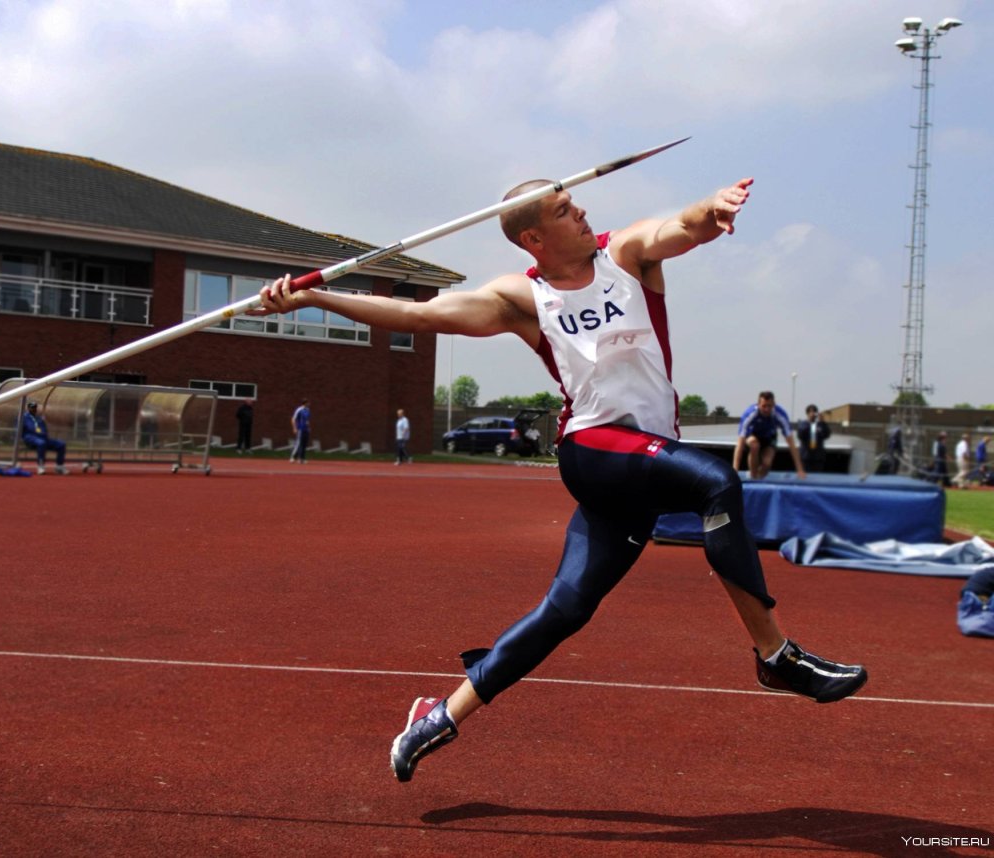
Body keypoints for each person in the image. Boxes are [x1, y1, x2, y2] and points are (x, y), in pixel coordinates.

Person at [254, 174, 868, 784]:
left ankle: (438, 713)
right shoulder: (521, 299)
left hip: (641, 466)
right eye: (563, 209)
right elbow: (420, 315)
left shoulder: (625, 255)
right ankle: (776, 656)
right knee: (715, 482)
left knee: (567, 609)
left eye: (575, 202)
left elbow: (682, 227)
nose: (580, 212)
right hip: (592, 448)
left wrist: (713, 208)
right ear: (533, 236)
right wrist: (315, 299)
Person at [732, 391, 806, 480]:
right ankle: (753, 475)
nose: (767, 409)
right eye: (764, 406)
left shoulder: (780, 415)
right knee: (754, 445)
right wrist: (735, 471)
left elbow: (791, 443)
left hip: (769, 438)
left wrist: (800, 469)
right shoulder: (749, 414)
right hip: (752, 436)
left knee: (767, 463)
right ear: (758, 405)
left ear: (774, 404)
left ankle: (758, 477)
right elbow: (740, 444)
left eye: (769, 406)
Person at [21, 400, 68, 475]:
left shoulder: (39, 418)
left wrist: (44, 434)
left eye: (34, 407)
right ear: (28, 408)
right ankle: (41, 465)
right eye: (31, 407)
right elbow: (20, 430)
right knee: (41, 443)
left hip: (43, 438)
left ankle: (59, 466)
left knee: (61, 444)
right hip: (30, 438)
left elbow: (44, 429)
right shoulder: (23, 417)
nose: (33, 409)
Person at [795, 404, 832, 473]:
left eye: (814, 412)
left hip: (817, 458)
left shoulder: (820, 425)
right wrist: (810, 423)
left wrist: (822, 422)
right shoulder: (803, 424)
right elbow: (800, 435)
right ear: (807, 413)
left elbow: (826, 435)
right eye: (810, 412)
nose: (812, 414)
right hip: (806, 457)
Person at [290, 399, 311, 464]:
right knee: (299, 443)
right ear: (305, 403)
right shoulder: (299, 410)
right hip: (300, 429)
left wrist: (309, 427)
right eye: (308, 403)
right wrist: (294, 428)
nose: (309, 404)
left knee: (304, 444)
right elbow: (293, 419)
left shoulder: (308, 410)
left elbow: (307, 420)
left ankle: (302, 458)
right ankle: (293, 457)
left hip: (306, 429)